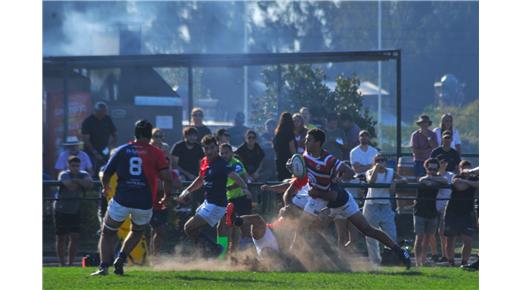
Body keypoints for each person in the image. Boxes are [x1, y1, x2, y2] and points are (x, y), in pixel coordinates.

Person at [300, 128, 411, 269]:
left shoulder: (328, 159)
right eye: (306, 139)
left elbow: (350, 172)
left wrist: (336, 179)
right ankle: (305, 260)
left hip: (339, 200)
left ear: (318, 143)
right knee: (304, 229)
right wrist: (293, 167)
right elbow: (297, 169)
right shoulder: (304, 156)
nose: (306, 142)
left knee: (367, 230)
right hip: (321, 200)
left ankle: (401, 253)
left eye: (309, 140)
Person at [91, 119, 174, 276]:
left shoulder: (122, 150)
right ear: (150, 135)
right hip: (144, 202)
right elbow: (167, 177)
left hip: (122, 199)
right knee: (137, 231)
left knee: (107, 232)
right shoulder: (157, 153)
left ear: (135, 133)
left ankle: (103, 267)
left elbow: (106, 173)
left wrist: (105, 187)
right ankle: (121, 259)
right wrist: (166, 196)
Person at [177, 135, 249, 257]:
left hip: (217, 204)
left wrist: (244, 187)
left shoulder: (221, 164)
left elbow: (237, 178)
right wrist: (187, 191)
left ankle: (216, 249)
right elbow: (200, 179)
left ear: (216, 148)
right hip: (209, 202)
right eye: (206, 148)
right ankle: (212, 252)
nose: (209, 151)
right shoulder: (204, 162)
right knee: (202, 230)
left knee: (189, 227)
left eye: (211, 148)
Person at [363, 154, 407, 265]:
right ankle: (375, 262)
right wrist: (376, 168)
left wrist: (396, 182)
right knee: (370, 236)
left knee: (392, 234)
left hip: (385, 206)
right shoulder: (370, 171)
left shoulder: (390, 172)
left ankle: (391, 259)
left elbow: (404, 180)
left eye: (382, 160)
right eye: (378, 160)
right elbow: (371, 182)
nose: (380, 162)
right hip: (371, 205)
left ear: (386, 162)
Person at [55, 156, 93, 266]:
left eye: (77, 165)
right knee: (61, 237)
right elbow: (70, 186)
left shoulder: (83, 173)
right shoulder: (63, 174)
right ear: (68, 165)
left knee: (74, 237)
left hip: (75, 209)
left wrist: (76, 180)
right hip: (61, 209)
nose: (75, 168)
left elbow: (89, 185)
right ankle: (62, 264)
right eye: (73, 165)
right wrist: (81, 183)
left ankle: (70, 264)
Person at [414, 158, 448, 266]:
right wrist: (433, 180)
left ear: (437, 169)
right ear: (426, 168)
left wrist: (432, 179)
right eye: (429, 168)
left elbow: (445, 181)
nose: (432, 170)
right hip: (420, 210)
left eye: (434, 169)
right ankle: (417, 261)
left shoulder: (437, 178)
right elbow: (424, 181)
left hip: (432, 211)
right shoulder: (423, 178)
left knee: (428, 238)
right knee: (419, 237)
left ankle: (423, 260)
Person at [219, 143, 253, 253]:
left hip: (240, 198)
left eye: (226, 153)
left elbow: (243, 179)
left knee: (242, 227)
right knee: (224, 227)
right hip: (229, 200)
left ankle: (244, 253)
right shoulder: (221, 165)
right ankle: (223, 252)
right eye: (222, 153)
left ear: (232, 153)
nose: (224, 155)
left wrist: (229, 187)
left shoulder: (236, 164)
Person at [445, 160, 478, 267]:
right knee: (451, 239)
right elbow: (459, 187)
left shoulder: (474, 178)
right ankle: (451, 262)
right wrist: (469, 183)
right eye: (463, 168)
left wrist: (467, 181)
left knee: (468, 240)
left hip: (467, 212)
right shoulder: (455, 177)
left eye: (468, 168)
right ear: (459, 168)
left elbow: (479, 184)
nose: (465, 171)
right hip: (452, 211)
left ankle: (464, 262)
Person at [81, 101, 118, 173]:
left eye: (104, 112)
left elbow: (115, 134)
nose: (103, 114)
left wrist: (110, 147)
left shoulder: (107, 119)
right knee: (92, 170)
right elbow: (86, 139)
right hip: (91, 152)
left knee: (107, 170)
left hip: (105, 151)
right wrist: (95, 153)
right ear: (95, 111)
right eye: (100, 113)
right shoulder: (88, 121)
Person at [434, 158, 455, 264]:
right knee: (430, 233)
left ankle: (446, 256)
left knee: (443, 233)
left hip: (447, 206)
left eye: (444, 162)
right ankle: (435, 255)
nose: (442, 164)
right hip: (434, 207)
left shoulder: (451, 175)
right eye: (440, 162)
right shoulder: (433, 174)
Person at [273, 112, 296, 181]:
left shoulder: (278, 133)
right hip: (288, 159)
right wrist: (296, 157)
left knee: (281, 179)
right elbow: (291, 147)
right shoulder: (289, 132)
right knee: (289, 179)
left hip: (279, 159)